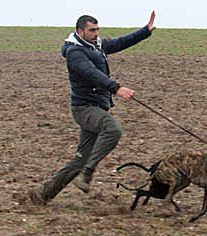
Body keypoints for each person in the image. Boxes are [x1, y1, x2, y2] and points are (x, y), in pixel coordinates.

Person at [29, 11, 156, 205]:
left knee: (79, 159)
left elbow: (121, 42)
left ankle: (43, 193)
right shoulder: (75, 52)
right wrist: (117, 88)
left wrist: (145, 31)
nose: (96, 33)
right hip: (85, 109)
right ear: (80, 31)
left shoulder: (96, 45)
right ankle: (87, 172)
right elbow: (91, 73)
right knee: (113, 130)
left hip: (96, 107)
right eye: (92, 30)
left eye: (97, 29)